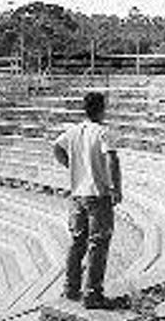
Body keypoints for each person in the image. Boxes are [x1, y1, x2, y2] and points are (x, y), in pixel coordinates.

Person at [53, 92, 125, 309]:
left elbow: (56, 148)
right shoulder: (103, 132)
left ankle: (70, 288)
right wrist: (116, 188)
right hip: (98, 195)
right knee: (98, 244)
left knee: (77, 243)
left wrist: (72, 166)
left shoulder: (73, 131)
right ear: (102, 108)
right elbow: (112, 160)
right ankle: (92, 295)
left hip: (77, 195)